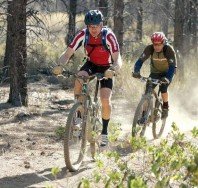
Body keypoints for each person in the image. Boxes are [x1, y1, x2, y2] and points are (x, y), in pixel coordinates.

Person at [53, 10, 122, 147]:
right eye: (90, 26)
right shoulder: (83, 35)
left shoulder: (108, 36)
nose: (93, 29)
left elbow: (118, 59)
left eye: (95, 26)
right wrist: (60, 64)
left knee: (105, 100)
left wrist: (113, 69)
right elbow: (67, 54)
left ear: (101, 25)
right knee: (79, 77)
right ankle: (78, 114)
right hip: (91, 64)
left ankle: (104, 132)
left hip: (107, 67)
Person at [132, 32, 177, 119]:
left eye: (159, 44)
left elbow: (172, 67)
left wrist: (168, 78)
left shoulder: (168, 50)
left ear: (163, 43)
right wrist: (136, 71)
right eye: (154, 44)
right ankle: (144, 115)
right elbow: (140, 61)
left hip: (168, 72)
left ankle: (165, 107)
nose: (156, 47)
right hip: (155, 72)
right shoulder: (150, 48)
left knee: (163, 89)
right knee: (147, 91)